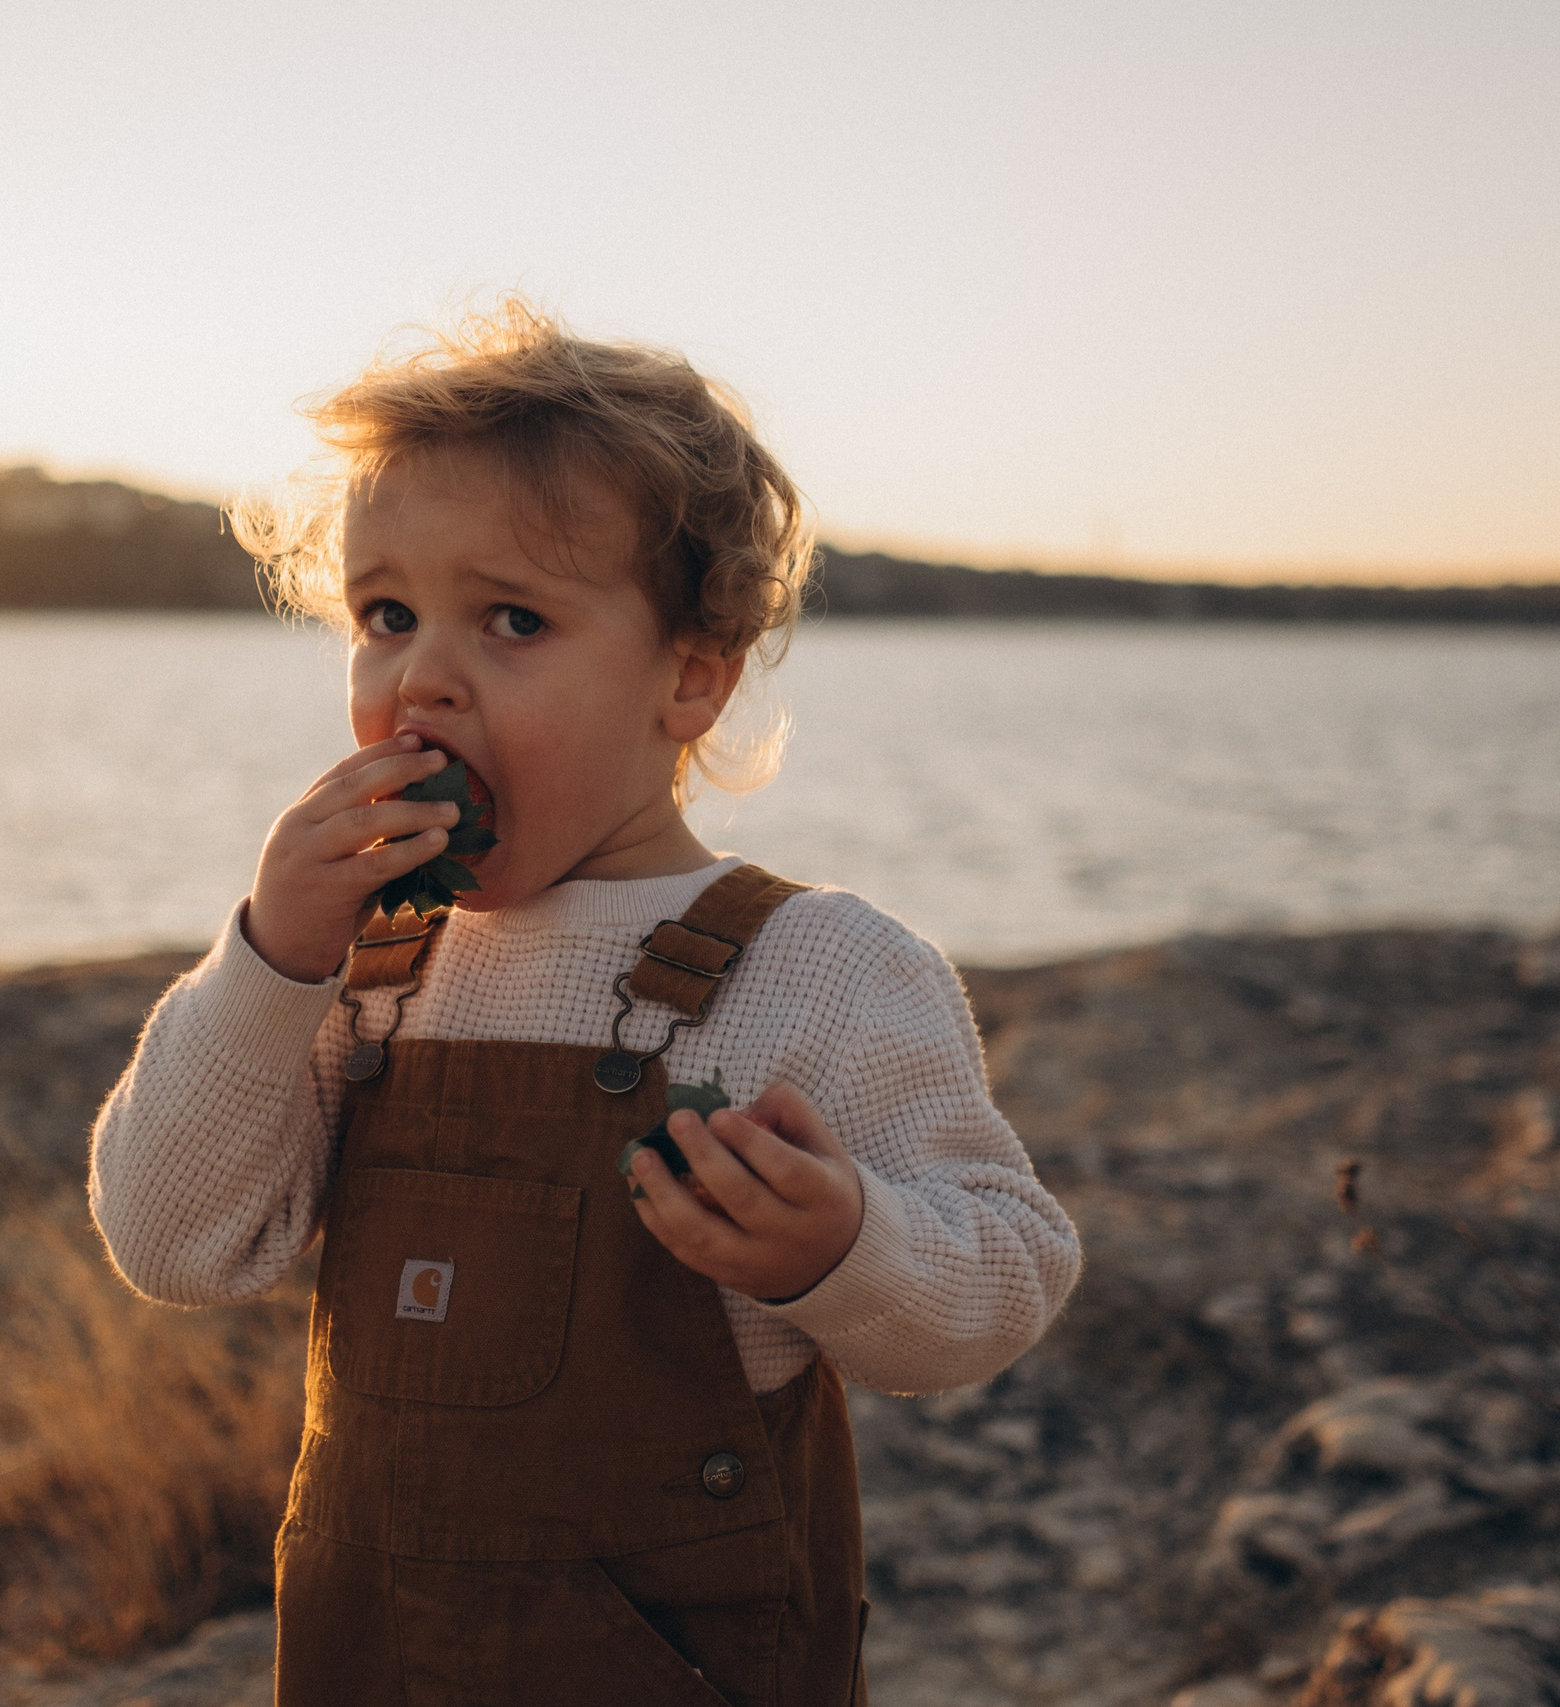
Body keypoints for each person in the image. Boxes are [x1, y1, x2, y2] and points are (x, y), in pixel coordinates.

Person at [88, 300, 1081, 1707]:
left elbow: (1008, 1278)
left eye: (513, 620)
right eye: (386, 616)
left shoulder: (822, 970)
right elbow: (172, 1241)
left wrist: (844, 1247)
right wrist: (269, 958)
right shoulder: (373, 968)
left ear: (690, 674)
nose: (423, 677)